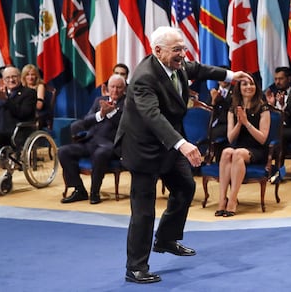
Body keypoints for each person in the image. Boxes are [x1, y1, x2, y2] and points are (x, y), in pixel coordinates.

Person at [115, 26, 252, 284]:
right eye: (177, 49)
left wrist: (231, 75)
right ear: (158, 51)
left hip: (168, 144)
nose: (182, 54)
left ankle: (166, 239)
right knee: (143, 210)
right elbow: (152, 117)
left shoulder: (176, 63)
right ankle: (135, 268)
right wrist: (182, 144)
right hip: (143, 148)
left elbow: (198, 69)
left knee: (185, 187)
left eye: (183, 48)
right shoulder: (145, 78)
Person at [59, 74, 126, 205]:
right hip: (90, 142)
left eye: (119, 87)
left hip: (110, 145)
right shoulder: (99, 100)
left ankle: (94, 192)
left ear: (124, 89)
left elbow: (124, 125)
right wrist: (101, 114)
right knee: (63, 151)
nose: (115, 90)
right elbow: (86, 121)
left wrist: (111, 113)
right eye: (112, 87)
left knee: (100, 154)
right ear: (107, 88)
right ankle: (79, 189)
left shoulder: (129, 103)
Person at [215, 77, 270, 217]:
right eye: (244, 84)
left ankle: (232, 201)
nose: (248, 87)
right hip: (239, 147)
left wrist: (246, 123)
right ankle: (222, 200)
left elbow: (262, 139)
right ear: (239, 88)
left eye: (251, 83)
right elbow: (230, 138)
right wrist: (239, 124)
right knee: (227, 151)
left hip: (256, 149)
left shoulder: (263, 108)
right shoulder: (233, 108)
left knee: (237, 153)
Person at [265, 67, 291, 159]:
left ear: (289, 79)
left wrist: (284, 106)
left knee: (280, 134)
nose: (277, 82)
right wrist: (270, 105)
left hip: (289, 128)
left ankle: (279, 166)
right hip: (272, 127)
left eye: (281, 79)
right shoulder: (272, 94)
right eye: (276, 79)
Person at [207, 65, 234, 161]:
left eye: (226, 76)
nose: (223, 79)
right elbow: (208, 110)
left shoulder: (236, 92)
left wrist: (221, 101)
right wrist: (213, 102)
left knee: (214, 133)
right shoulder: (212, 91)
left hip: (228, 124)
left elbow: (232, 112)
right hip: (212, 124)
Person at [21, 64, 49, 128]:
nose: (30, 77)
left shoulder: (40, 86)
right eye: (27, 74)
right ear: (24, 76)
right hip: (23, 113)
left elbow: (39, 105)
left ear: (36, 76)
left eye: (33, 74)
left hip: (38, 115)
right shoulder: (21, 87)